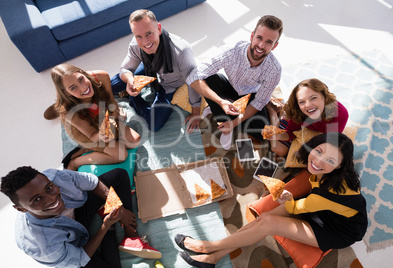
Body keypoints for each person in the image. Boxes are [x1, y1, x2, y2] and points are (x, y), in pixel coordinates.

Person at [175, 133, 367, 267]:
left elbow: (297, 206)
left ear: (340, 165)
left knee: (267, 222)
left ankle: (207, 246)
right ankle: (213, 258)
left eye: (331, 160)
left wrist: (288, 199)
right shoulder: (328, 175)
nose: (318, 161)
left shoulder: (328, 194)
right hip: (324, 211)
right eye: (318, 151)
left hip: (336, 231)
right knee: (263, 219)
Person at [0, 167, 161, 268]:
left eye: (49, 188)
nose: (51, 199)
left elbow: (92, 182)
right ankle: (108, 221)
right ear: (21, 209)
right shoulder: (41, 245)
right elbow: (79, 260)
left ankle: (131, 237)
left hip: (79, 212)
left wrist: (120, 208)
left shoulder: (55, 176)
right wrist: (105, 226)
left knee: (118, 175)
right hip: (72, 242)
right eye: (36, 200)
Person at [186, 15, 283, 149]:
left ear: (275, 46)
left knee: (261, 133)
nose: (261, 45)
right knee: (208, 79)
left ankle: (228, 120)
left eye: (268, 42)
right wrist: (220, 101)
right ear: (252, 36)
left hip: (251, 95)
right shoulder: (231, 51)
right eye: (259, 38)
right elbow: (193, 76)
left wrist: (234, 123)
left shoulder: (275, 70)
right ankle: (221, 108)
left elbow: (259, 102)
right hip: (229, 87)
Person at [112, 9, 201, 133]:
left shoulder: (181, 51)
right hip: (148, 69)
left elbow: (193, 82)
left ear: (158, 28)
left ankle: (133, 99)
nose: (145, 41)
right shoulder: (135, 44)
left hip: (169, 85)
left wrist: (196, 112)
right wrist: (130, 80)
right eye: (139, 36)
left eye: (149, 33)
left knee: (154, 125)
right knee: (110, 86)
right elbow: (125, 69)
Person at [51, 64, 141, 171]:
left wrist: (115, 114)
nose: (83, 87)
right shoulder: (66, 111)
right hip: (86, 131)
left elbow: (111, 102)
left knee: (135, 140)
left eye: (81, 79)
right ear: (67, 93)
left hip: (103, 115)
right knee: (120, 155)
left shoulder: (101, 76)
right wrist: (102, 136)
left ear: (83, 73)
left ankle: (102, 146)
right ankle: (76, 160)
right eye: (73, 88)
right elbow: (93, 135)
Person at [268, 78, 349, 157]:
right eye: (302, 102)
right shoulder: (298, 111)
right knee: (278, 149)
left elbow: (329, 144)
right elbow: (290, 132)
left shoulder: (339, 116)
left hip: (313, 133)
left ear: (324, 97)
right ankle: (272, 111)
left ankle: (280, 109)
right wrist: (277, 136)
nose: (308, 105)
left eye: (313, 98)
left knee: (282, 150)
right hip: (300, 124)